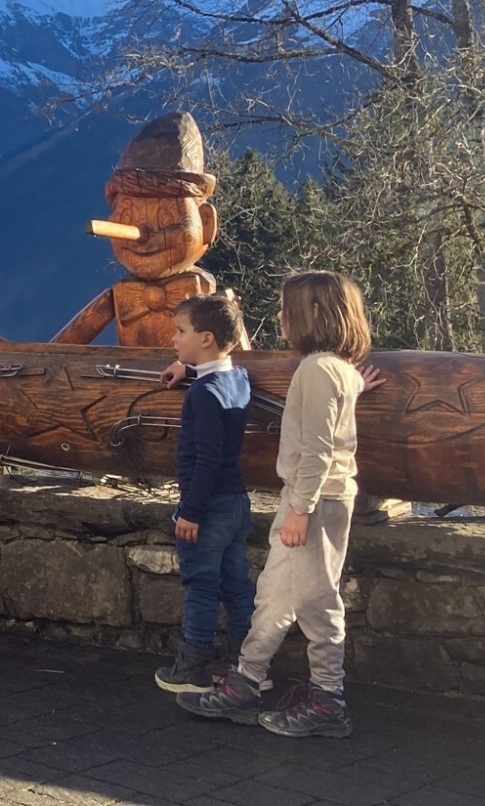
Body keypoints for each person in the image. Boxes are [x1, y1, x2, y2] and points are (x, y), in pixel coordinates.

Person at [180, 271, 378, 738]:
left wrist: (300, 509)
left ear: (311, 314)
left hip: (315, 500)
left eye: (286, 309)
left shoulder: (316, 369)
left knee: (317, 601)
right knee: (274, 595)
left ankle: (329, 699)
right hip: (313, 498)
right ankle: (246, 681)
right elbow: (333, 418)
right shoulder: (337, 369)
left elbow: (319, 449)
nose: (280, 317)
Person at [153, 295, 254, 694]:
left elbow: (208, 460)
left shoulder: (203, 395)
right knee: (236, 584)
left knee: (200, 585)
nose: (174, 340)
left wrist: (189, 512)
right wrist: (188, 368)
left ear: (206, 338)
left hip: (207, 507)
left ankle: (192, 669)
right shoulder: (238, 379)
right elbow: (221, 374)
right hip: (237, 503)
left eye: (181, 332)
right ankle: (249, 669)